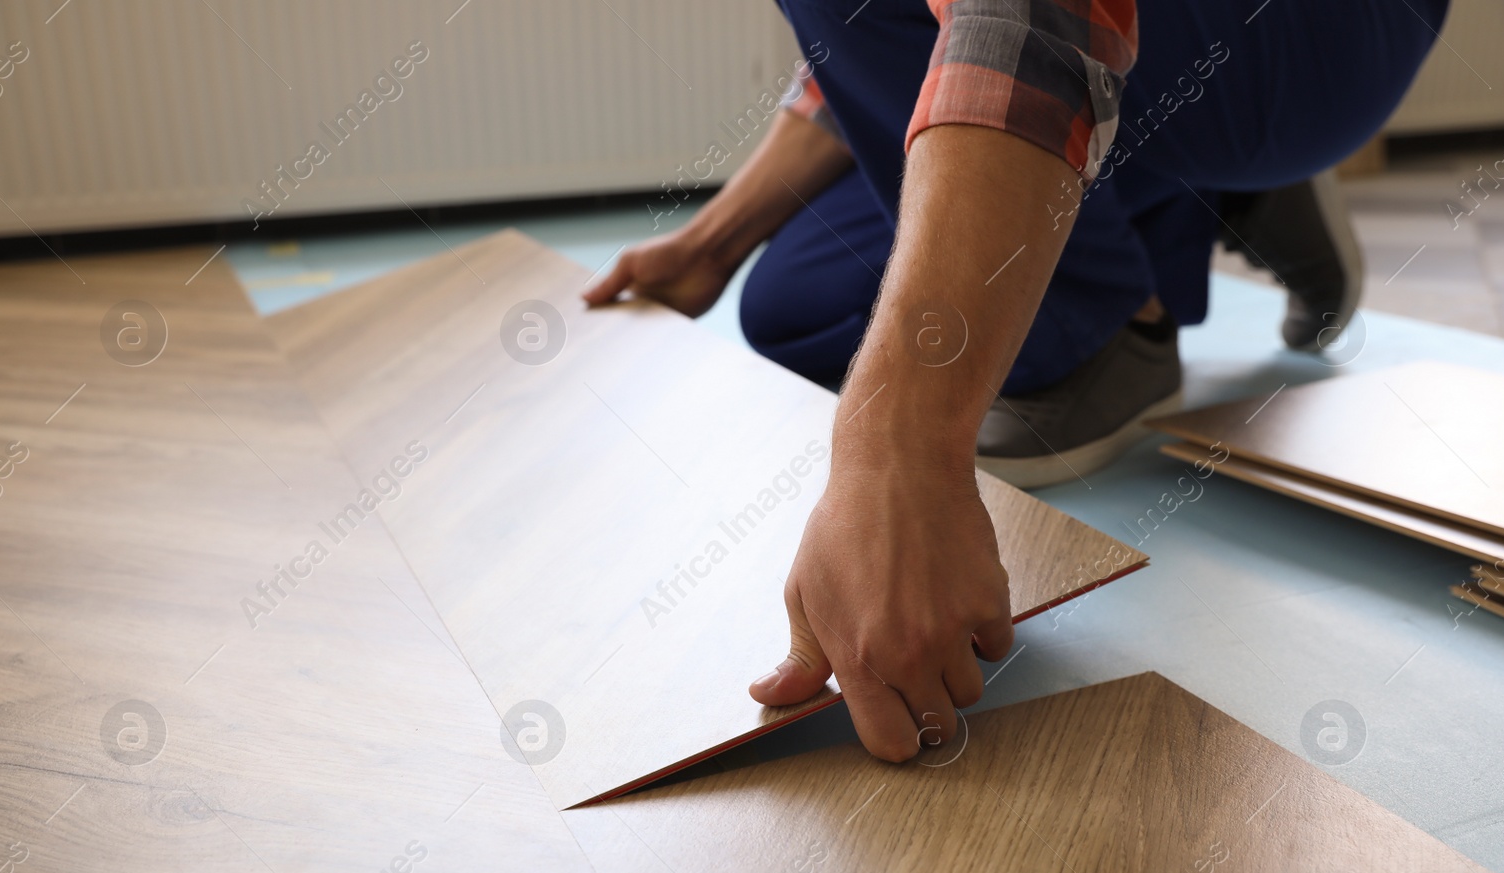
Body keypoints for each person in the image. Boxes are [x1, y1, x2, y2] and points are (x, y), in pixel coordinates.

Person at [583, 0, 1447, 762]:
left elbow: (1030, 16)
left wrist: (898, 454)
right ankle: (1193, 186)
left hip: (1318, 25)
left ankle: (1113, 325)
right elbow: (878, 36)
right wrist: (712, 247)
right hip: (1129, 31)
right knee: (795, 309)